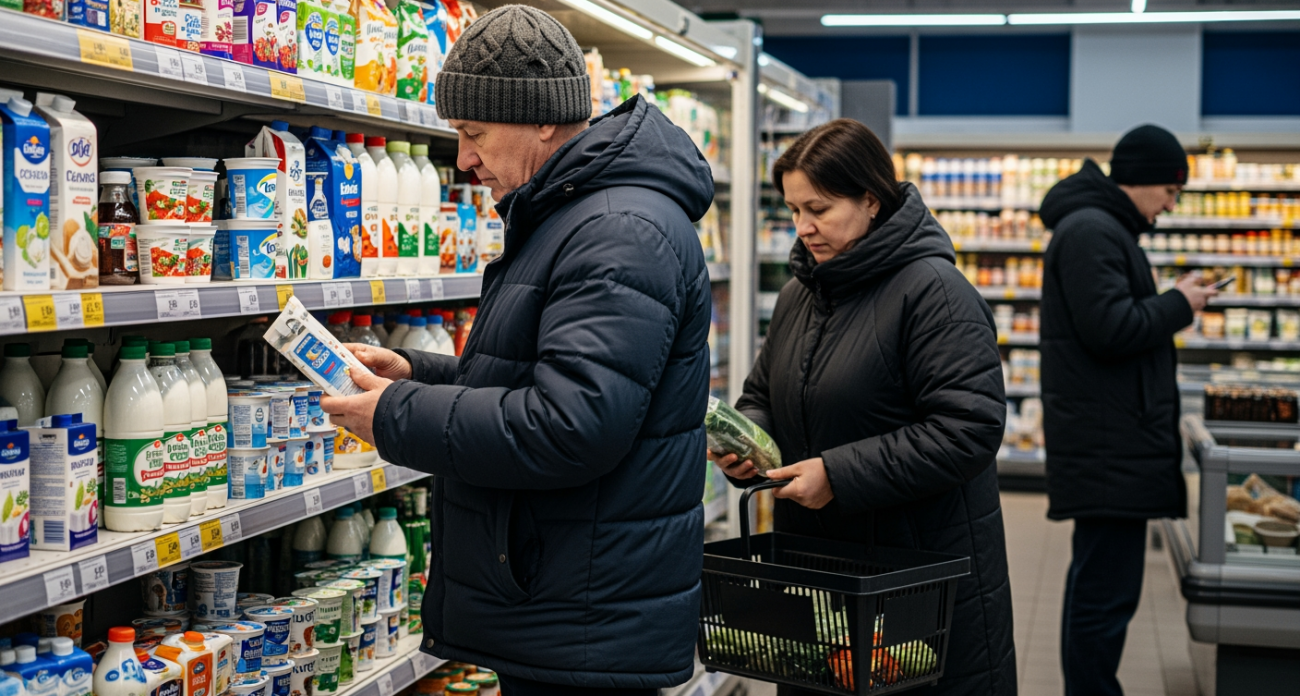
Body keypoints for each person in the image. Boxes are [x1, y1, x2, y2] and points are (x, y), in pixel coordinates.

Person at [320, 6, 714, 694]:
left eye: (474, 133)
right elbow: (540, 374)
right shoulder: (576, 214)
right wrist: (419, 370)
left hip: (586, 620)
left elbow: (571, 426)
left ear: (540, 119)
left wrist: (397, 414)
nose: (465, 159)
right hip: (569, 603)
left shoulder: (618, 230)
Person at [714, 119, 1016, 696]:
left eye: (819, 209)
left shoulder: (935, 292)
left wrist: (837, 473)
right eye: (793, 210)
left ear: (871, 200)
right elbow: (762, 393)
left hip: (915, 580)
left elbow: (969, 428)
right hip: (821, 571)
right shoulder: (800, 292)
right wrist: (747, 441)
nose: (802, 228)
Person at [1038, 124, 1216, 696]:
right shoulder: (1092, 230)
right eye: (1170, 190)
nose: (1170, 205)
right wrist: (1178, 305)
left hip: (1113, 444)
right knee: (1103, 597)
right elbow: (1110, 328)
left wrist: (1169, 299)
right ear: (1140, 180)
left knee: (1103, 589)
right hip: (1109, 449)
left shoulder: (1102, 228)